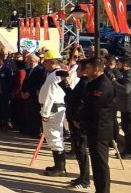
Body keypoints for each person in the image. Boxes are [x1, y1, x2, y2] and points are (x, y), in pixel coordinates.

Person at [74, 57, 115, 193]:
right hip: (94, 127)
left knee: (100, 164)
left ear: (96, 69)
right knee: (97, 164)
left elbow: (94, 107)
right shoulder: (95, 83)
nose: (87, 71)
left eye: (89, 68)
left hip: (100, 129)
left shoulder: (102, 84)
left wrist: (80, 119)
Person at [60, 59, 90, 190]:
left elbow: (75, 100)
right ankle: (82, 177)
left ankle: (85, 181)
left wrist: (78, 119)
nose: (76, 71)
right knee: (78, 151)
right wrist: (63, 82)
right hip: (74, 119)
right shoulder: (81, 83)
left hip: (79, 122)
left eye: (78, 69)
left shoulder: (85, 83)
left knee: (81, 151)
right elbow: (71, 96)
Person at [38, 47, 67, 176]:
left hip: (53, 109)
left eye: (46, 61)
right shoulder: (53, 74)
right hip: (53, 108)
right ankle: (58, 165)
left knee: (55, 137)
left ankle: (60, 168)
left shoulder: (56, 74)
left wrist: (45, 113)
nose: (44, 64)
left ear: (52, 62)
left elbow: (51, 94)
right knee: (53, 137)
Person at [112, 56, 131, 158]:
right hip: (124, 107)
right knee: (126, 128)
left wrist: (114, 82)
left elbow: (126, 90)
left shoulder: (128, 75)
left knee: (128, 129)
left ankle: (129, 151)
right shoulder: (124, 74)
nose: (117, 65)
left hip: (128, 107)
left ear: (125, 64)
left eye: (118, 63)